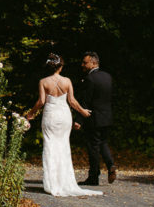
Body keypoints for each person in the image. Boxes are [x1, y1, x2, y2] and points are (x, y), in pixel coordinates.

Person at [26, 54, 102, 197]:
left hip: (50, 115)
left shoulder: (43, 81)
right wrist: (83, 112)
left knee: (50, 146)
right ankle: (64, 181)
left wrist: (30, 114)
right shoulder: (67, 81)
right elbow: (72, 101)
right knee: (63, 146)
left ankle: (52, 182)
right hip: (64, 115)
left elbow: (41, 101)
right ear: (60, 67)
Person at [76, 51, 116, 185]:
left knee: (93, 147)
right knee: (103, 142)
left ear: (93, 63)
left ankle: (93, 177)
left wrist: (79, 120)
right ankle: (110, 165)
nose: (82, 65)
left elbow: (85, 101)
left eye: (85, 62)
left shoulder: (90, 79)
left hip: (94, 118)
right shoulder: (107, 76)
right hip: (107, 116)